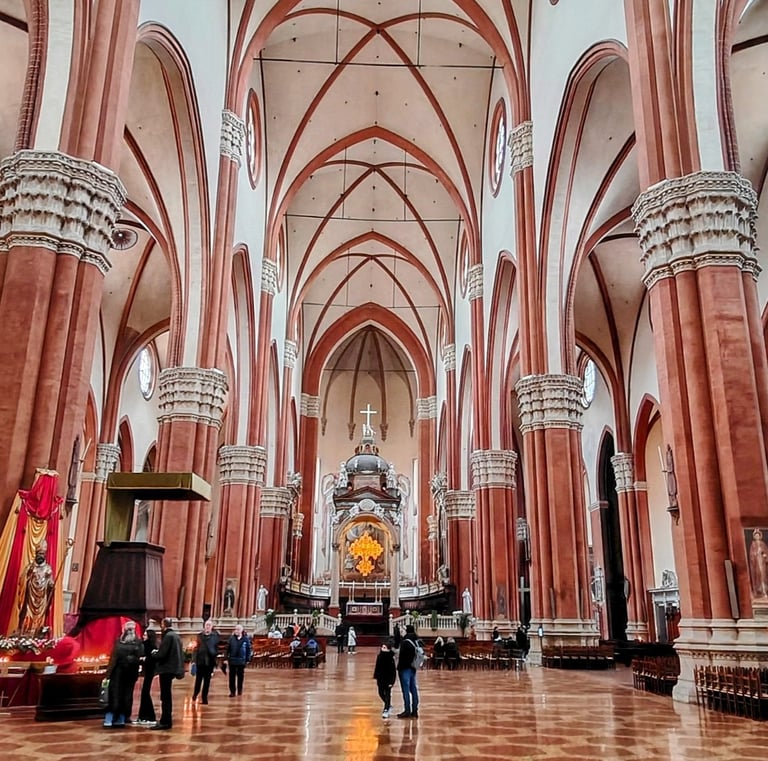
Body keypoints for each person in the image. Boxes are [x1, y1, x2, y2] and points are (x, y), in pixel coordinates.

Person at [103, 620, 143, 728]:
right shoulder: (138, 643)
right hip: (130, 673)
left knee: (114, 695)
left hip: (118, 673)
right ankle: (121, 718)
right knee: (127, 695)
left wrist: (107, 675)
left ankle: (109, 719)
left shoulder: (119, 642)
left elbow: (113, 659)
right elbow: (140, 657)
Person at [17, 540, 55, 635]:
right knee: (27, 615)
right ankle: (25, 631)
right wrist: (28, 575)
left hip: (42, 597)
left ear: (45, 555)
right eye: (39, 553)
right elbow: (21, 580)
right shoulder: (30, 567)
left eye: (42, 554)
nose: (40, 556)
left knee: (39, 617)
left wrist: (51, 585)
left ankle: (37, 632)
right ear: (36, 554)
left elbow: (50, 582)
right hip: (30, 597)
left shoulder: (48, 569)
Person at [152, 617, 184, 730]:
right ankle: (166, 720)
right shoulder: (175, 635)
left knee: (165, 696)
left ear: (163, 625)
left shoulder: (168, 636)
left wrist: (154, 654)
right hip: (172, 669)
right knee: (166, 695)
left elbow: (162, 654)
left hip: (166, 669)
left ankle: (165, 721)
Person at [192, 619, 220, 704]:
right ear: (204, 626)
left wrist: (215, 655)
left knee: (207, 681)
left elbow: (217, 648)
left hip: (209, 662)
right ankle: (195, 694)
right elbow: (195, 648)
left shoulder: (215, 637)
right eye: (206, 625)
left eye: (209, 625)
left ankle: (204, 698)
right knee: (198, 680)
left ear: (211, 627)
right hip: (200, 661)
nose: (207, 627)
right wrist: (194, 660)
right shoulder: (199, 636)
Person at [396, 624, 419, 718]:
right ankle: (415, 710)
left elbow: (403, 656)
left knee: (405, 690)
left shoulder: (405, 642)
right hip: (413, 667)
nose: (402, 631)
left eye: (403, 629)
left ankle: (407, 710)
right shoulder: (415, 641)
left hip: (405, 668)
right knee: (413, 689)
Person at [136, 623, 158, 725]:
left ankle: (149, 716)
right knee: (144, 693)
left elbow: (152, 659)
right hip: (147, 672)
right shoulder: (147, 645)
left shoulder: (150, 646)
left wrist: (144, 659)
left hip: (149, 672)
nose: (143, 636)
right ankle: (143, 716)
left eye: (145, 635)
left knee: (145, 693)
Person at [226, 624, 252, 697]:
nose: (236, 631)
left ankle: (239, 690)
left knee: (240, 676)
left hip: (241, 661)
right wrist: (225, 658)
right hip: (232, 660)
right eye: (235, 629)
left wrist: (248, 659)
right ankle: (232, 692)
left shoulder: (245, 639)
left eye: (238, 629)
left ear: (241, 631)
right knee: (232, 677)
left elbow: (248, 649)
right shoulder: (231, 638)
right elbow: (227, 649)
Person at [373, 641, 397, 719]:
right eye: (382, 647)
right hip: (381, 678)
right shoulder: (379, 656)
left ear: (388, 649)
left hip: (388, 679)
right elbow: (377, 667)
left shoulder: (391, 657)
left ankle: (386, 709)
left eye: (384, 648)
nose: (382, 649)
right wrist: (376, 676)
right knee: (380, 693)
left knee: (387, 694)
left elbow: (393, 670)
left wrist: (392, 681)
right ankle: (388, 705)